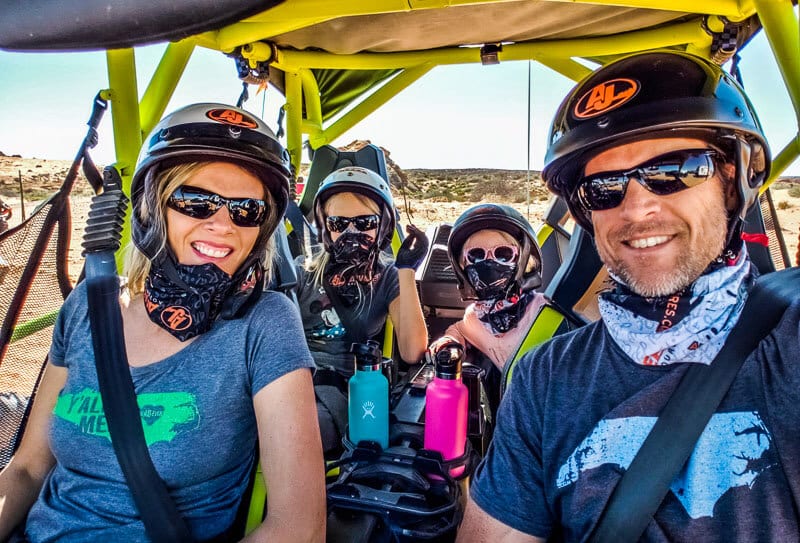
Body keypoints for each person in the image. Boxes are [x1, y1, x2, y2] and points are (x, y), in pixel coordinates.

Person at [458, 50, 799, 542]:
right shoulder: (546, 378)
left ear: (733, 181)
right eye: (605, 187)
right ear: (585, 211)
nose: (637, 209)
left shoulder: (788, 344)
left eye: (675, 170)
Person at [0, 103, 326, 542]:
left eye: (246, 211)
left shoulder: (264, 324)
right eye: (196, 202)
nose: (223, 225)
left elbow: (298, 527)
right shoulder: (87, 307)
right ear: (153, 211)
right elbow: (25, 468)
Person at [295, 166, 428, 454]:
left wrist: (406, 270)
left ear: (382, 227)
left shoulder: (388, 277)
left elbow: (412, 351)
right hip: (293, 381)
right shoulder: (302, 272)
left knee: (302, 427)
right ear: (325, 228)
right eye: (339, 224)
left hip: (348, 389)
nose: (351, 232)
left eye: (364, 222)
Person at [427, 203, 547, 411]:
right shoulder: (476, 316)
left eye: (503, 254)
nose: (489, 263)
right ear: (462, 267)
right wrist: (449, 343)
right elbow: (459, 329)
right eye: (476, 255)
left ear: (522, 260)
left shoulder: (544, 311)